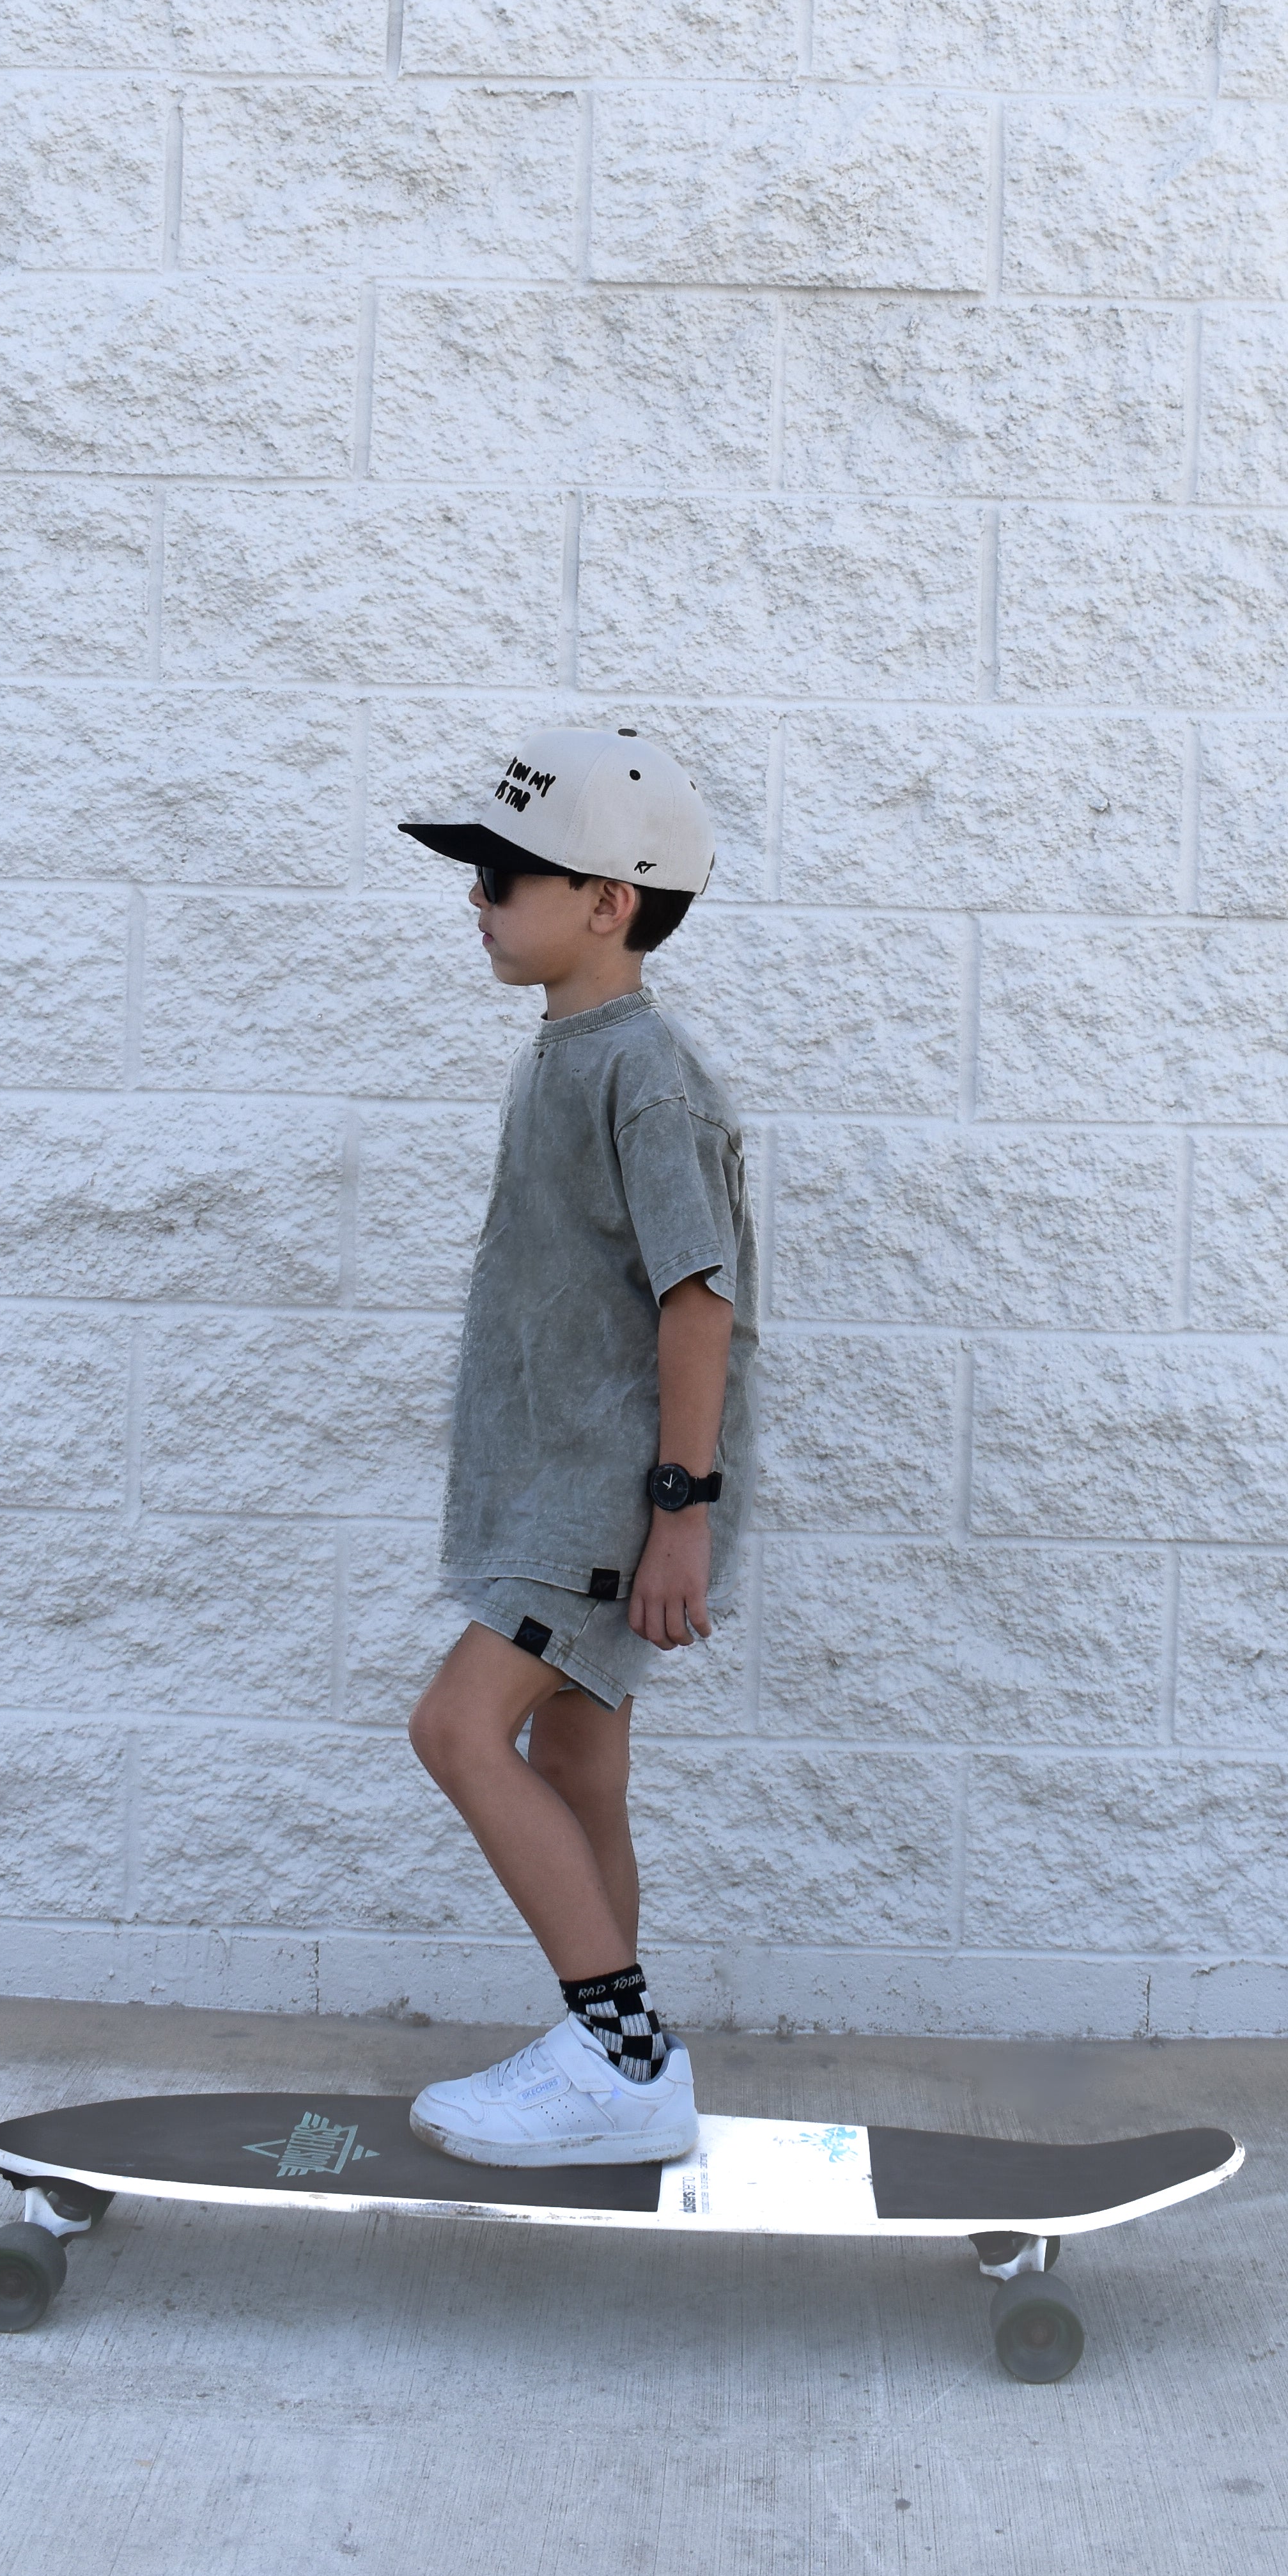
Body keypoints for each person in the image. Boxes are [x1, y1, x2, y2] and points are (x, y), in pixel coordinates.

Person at [392, 726, 754, 2166]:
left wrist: (679, 1507)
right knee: (574, 1760)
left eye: (502, 877)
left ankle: (621, 2058)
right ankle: (617, 2062)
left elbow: (697, 1298)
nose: (475, 901)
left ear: (608, 901)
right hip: (565, 1482)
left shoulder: (642, 1075)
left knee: (456, 1727)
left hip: (603, 1496)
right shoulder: (576, 1053)